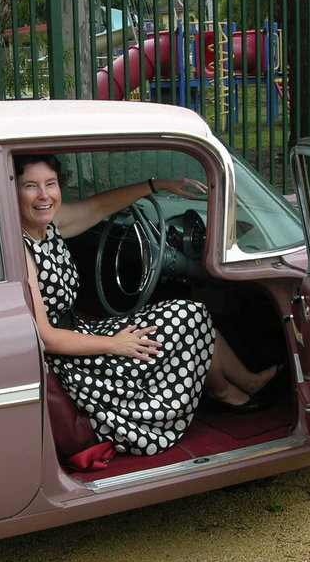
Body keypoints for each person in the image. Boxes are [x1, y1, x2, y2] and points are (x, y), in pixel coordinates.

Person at [15, 154, 280, 456]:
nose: (43, 195)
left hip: (81, 333)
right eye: (30, 186)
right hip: (71, 362)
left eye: (50, 184)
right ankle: (227, 393)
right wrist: (112, 345)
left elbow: (101, 206)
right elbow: (45, 336)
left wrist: (157, 185)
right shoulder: (19, 248)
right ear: (13, 192)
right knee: (188, 316)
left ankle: (246, 382)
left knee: (191, 312)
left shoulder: (49, 225)